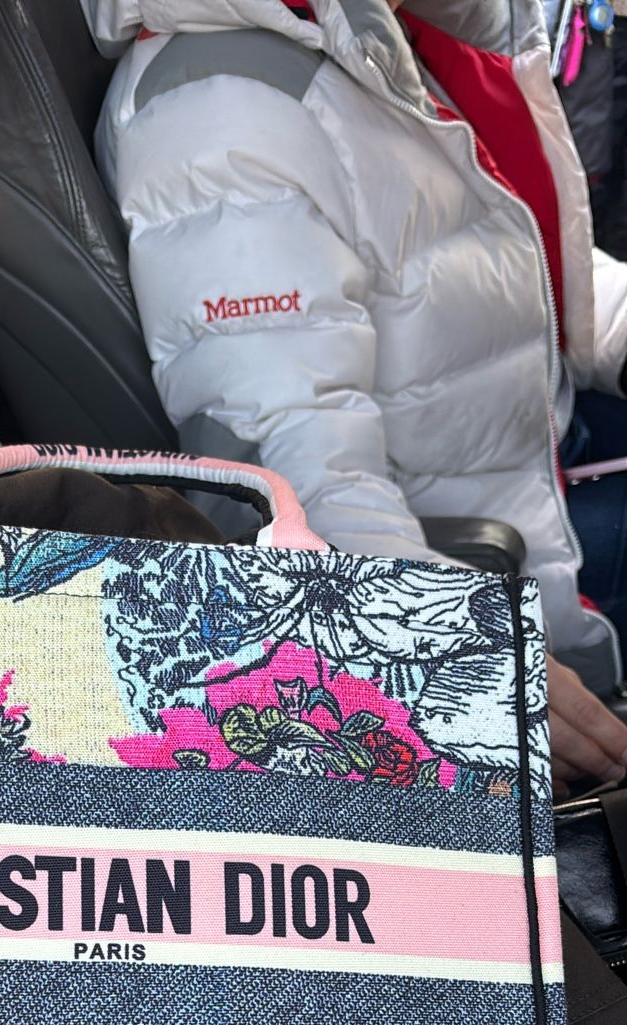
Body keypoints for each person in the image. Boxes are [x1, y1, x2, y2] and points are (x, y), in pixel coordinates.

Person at [84, 0, 627, 791]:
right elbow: (293, 479)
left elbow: (498, 275)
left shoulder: (359, 34)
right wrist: (465, 652)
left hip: (532, 450)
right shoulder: (222, 116)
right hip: (491, 567)